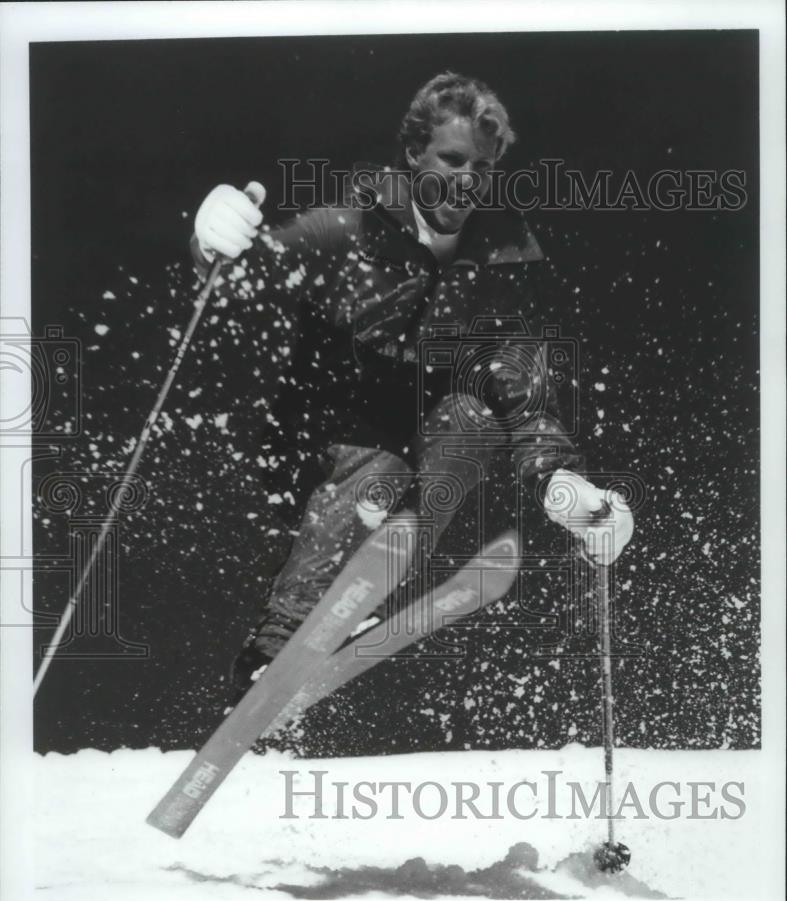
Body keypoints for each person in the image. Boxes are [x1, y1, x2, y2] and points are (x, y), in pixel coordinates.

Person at [190, 72, 634, 701]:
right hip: (328, 431)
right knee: (374, 469)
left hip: (430, 435)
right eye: (450, 159)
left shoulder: (500, 262)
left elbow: (518, 377)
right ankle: (278, 645)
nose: (465, 179)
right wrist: (213, 243)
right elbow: (250, 268)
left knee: (476, 415)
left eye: (480, 166)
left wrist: (559, 479)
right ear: (414, 156)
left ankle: (386, 542)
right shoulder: (346, 228)